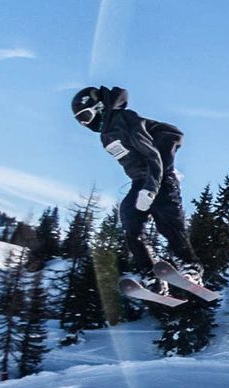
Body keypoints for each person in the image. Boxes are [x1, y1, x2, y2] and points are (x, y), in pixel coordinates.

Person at [70, 86, 203, 295]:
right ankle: (152, 275)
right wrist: (142, 185)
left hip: (159, 176)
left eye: (86, 116)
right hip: (140, 180)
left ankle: (191, 267)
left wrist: (151, 188)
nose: (86, 124)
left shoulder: (124, 120)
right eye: (81, 121)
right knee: (129, 219)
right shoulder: (106, 135)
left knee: (167, 220)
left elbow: (152, 155)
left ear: (99, 107)